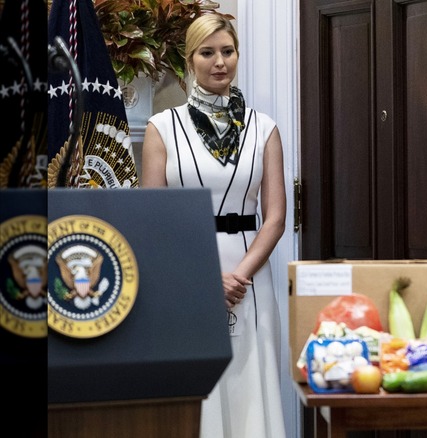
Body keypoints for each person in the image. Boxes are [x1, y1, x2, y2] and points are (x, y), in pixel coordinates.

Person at [141, 14, 287, 438]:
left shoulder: (265, 129)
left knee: (251, 393)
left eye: (228, 51)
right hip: (185, 275)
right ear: (190, 59)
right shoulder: (162, 128)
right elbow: (155, 220)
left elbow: (274, 218)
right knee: (199, 397)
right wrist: (207, 280)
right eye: (208, 53)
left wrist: (238, 277)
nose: (219, 62)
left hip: (251, 279)